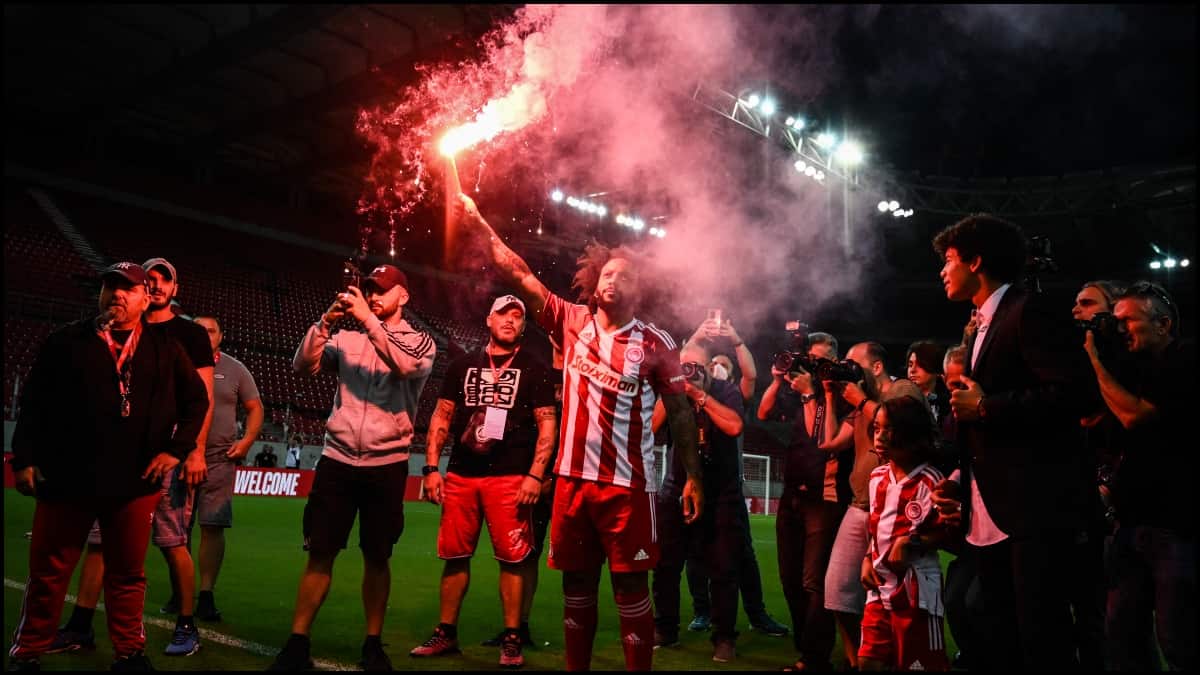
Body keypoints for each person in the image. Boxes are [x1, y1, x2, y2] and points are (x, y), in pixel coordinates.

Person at [454, 192, 703, 672]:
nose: (613, 279)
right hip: (570, 483)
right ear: (594, 280)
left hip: (629, 487)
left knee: (631, 588)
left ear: (640, 289)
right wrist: (477, 220)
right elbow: (518, 271)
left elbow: (682, 414)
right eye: (607, 273)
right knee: (576, 587)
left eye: (625, 276)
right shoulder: (572, 321)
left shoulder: (656, 344)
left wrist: (692, 476)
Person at [7, 262, 208, 672]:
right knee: (48, 573)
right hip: (66, 477)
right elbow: (34, 403)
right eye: (110, 287)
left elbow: (197, 402)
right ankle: (28, 653)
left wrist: (177, 449)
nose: (118, 294)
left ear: (144, 298)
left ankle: (129, 653)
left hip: (134, 482)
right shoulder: (66, 341)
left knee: (128, 574)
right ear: (100, 293)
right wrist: (24, 457)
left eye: (128, 289)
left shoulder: (165, 348)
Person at [928, 213, 1093, 670]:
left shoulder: (1029, 309)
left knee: (1042, 636)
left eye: (950, 259)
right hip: (989, 510)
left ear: (976, 260)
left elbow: (1073, 394)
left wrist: (987, 407)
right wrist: (962, 476)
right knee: (996, 631)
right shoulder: (978, 325)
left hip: (1031, 510)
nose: (943, 270)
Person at [269, 263, 436, 671]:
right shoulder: (346, 338)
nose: (373, 296)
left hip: (388, 463)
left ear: (404, 296)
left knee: (377, 556)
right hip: (338, 459)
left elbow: (405, 365)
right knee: (320, 553)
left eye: (381, 290)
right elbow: (301, 366)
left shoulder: (420, 341)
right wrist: (326, 321)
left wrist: (366, 319)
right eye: (368, 290)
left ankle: (373, 643)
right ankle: (297, 641)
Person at [410, 295, 557, 668]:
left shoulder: (536, 367)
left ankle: (512, 637)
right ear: (489, 320)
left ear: (524, 325)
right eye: (503, 314)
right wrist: (430, 469)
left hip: (511, 477)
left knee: (512, 561)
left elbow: (547, 425)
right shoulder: (462, 365)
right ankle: (446, 632)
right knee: (455, 557)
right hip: (462, 474)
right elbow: (442, 417)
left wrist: (535, 475)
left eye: (517, 316)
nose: (510, 320)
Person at [1084, 281, 1195, 670]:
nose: (1118, 330)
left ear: (1163, 324)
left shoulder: (1184, 359)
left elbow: (1136, 417)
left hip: (1176, 523)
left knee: (1178, 636)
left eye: (1127, 321)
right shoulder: (1132, 368)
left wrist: (1096, 363)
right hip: (1132, 522)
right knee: (1123, 634)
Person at [819, 342, 925, 671]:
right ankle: (857, 662)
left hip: (899, 503)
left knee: (894, 597)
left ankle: (896, 660)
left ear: (876, 367)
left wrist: (862, 402)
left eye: (852, 363)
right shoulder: (857, 401)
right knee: (836, 592)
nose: (845, 367)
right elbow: (828, 442)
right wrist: (827, 395)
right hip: (861, 502)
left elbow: (904, 430)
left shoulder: (901, 389)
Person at [682, 323, 789, 639]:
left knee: (743, 554)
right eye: (711, 364)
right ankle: (702, 612)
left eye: (723, 366)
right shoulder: (687, 393)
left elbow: (751, 376)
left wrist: (737, 341)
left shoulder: (733, 396)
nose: (716, 369)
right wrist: (699, 338)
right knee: (695, 553)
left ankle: (757, 615)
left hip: (729, 486)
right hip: (697, 483)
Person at [650, 340, 746, 662]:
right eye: (683, 366)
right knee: (665, 565)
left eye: (695, 368)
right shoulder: (674, 386)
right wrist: (676, 389)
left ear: (709, 369)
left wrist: (699, 394)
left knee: (722, 567)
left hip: (721, 492)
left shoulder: (725, 389)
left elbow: (734, 425)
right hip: (676, 485)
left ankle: (723, 637)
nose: (689, 372)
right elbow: (651, 425)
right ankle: (664, 628)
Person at [757, 332, 844, 672]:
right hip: (791, 493)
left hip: (823, 497)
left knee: (813, 582)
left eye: (821, 361)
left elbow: (819, 438)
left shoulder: (839, 396)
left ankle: (815, 657)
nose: (814, 367)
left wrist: (812, 392)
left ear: (833, 362)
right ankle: (805, 647)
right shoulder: (800, 394)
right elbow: (763, 412)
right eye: (811, 359)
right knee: (789, 578)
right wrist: (779, 380)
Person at [858, 396, 954, 671]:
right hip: (878, 589)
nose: (880, 436)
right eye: (876, 428)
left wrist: (912, 542)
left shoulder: (932, 481)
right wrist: (867, 558)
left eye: (888, 429)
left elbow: (949, 535)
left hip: (917, 594)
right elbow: (876, 529)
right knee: (868, 662)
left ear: (911, 434)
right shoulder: (877, 477)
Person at [191, 314, 264, 622]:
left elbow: (255, 407)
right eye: (199, 331)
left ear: (221, 336)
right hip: (178, 455)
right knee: (174, 532)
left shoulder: (235, 369)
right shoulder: (176, 361)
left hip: (219, 457)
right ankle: (179, 589)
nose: (205, 335)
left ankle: (206, 594)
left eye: (211, 331)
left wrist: (247, 441)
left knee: (213, 526)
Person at [906, 341, 951, 429]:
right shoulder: (902, 403)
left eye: (920, 365)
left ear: (936, 368)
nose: (912, 370)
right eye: (910, 365)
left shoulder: (948, 404)